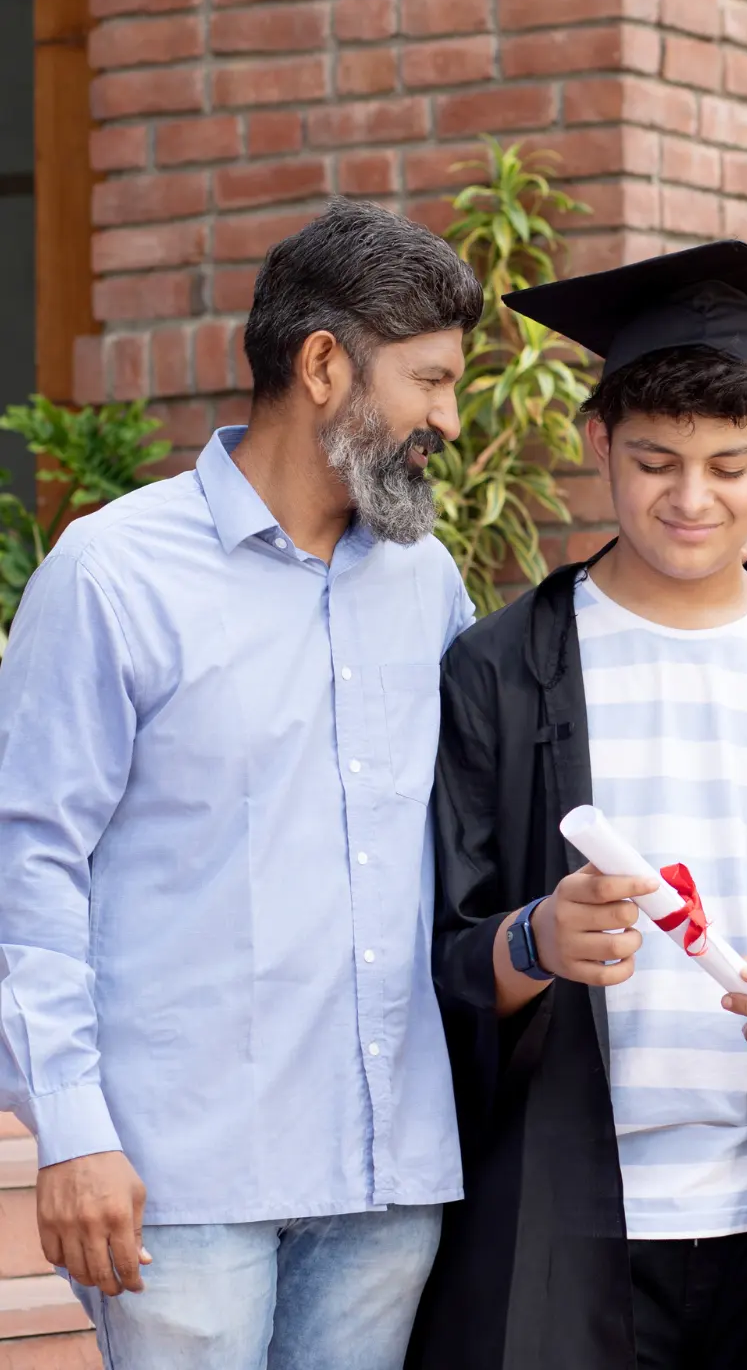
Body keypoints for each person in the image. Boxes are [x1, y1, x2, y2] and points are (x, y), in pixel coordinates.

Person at [408, 240, 747, 1370]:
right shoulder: (497, 673)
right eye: (654, 460)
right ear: (596, 439)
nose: (691, 499)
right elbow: (429, 952)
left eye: (729, 464)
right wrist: (533, 939)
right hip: (549, 1221)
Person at [0, 199, 484, 1369]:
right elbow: (30, 864)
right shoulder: (114, 574)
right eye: (429, 381)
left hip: (386, 1177)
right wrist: (68, 1132)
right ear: (324, 366)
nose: (449, 421)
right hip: (182, 1180)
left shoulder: (427, 585)